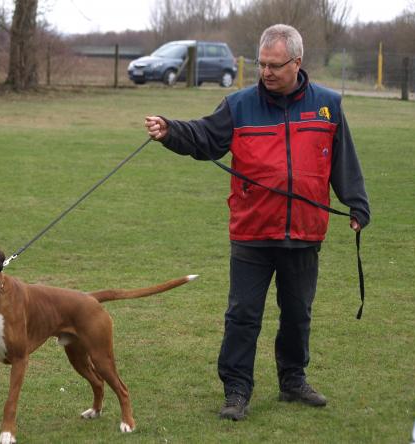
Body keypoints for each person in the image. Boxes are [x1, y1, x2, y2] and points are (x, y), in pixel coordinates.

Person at [145, 24, 370, 421]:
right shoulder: (239, 105)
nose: (266, 72)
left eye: (275, 65)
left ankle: (293, 379)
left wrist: (356, 205)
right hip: (252, 231)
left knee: (298, 312)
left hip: (304, 231)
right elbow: (205, 136)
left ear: (297, 63)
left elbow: (342, 161)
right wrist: (170, 130)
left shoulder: (328, 106)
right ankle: (236, 390)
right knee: (243, 315)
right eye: (261, 64)